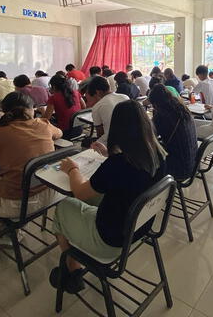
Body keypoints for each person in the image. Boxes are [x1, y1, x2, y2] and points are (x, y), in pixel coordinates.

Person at [50, 99, 166, 293]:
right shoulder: (158, 154)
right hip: (138, 229)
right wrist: (109, 157)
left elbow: (79, 191)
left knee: (63, 206)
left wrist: (71, 169)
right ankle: (76, 250)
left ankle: (72, 268)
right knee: (89, 198)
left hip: (110, 239)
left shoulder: (119, 164)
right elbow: (129, 179)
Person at [0, 92, 61, 232]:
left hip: (18, 203)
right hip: (51, 192)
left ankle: (5, 235)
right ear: (32, 109)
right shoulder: (44, 125)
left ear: (4, 111)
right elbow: (59, 133)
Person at [148, 84, 196, 180]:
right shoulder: (181, 108)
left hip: (178, 169)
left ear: (156, 103)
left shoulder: (162, 115)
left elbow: (149, 135)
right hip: (193, 163)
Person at [85, 76, 129, 145]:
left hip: (113, 143)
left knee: (87, 143)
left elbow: (100, 134)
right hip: (130, 137)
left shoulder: (98, 106)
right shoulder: (125, 97)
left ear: (97, 92)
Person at [44, 74, 85, 139]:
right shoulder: (76, 92)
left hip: (64, 132)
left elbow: (45, 119)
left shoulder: (53, 98)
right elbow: (84, 107)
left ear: (54, 87)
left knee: (45, 124)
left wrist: (42, 110)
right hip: (79, 129)